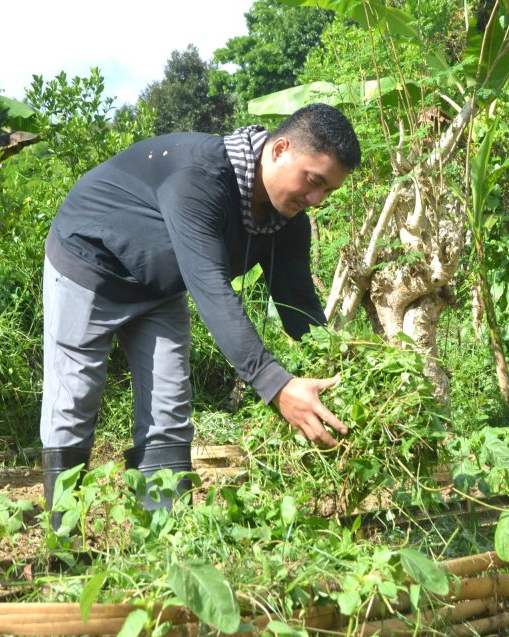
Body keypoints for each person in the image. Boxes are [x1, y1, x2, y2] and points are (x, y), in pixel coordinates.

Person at [41, 103, 361, 522]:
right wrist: (278, 387)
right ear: (280, 149)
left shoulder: (288, 221)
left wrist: (341, 367)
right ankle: (61, 536)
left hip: (160, 285)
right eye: (313, 181)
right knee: (76, 399)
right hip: (89, 265)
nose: (316, 199)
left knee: (169, 411)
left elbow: (299, 306)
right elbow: (211, 289)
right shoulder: (201, 180)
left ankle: (165, 538)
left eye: (328, 192)